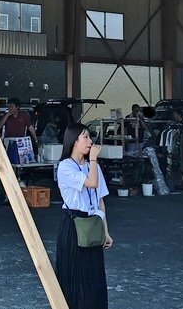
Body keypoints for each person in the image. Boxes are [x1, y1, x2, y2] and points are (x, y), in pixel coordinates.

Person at [55, 122, 112, 309]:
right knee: (74, 274)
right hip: (74, 222)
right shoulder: (65, 167)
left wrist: (105, 231)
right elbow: (91, 183)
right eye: (85, 137)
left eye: (89, 137)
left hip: (92, 222)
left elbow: (100, 200)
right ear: (74, 141)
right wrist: (93, 160)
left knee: (93, 276)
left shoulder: (92, 166)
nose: (90, 142)